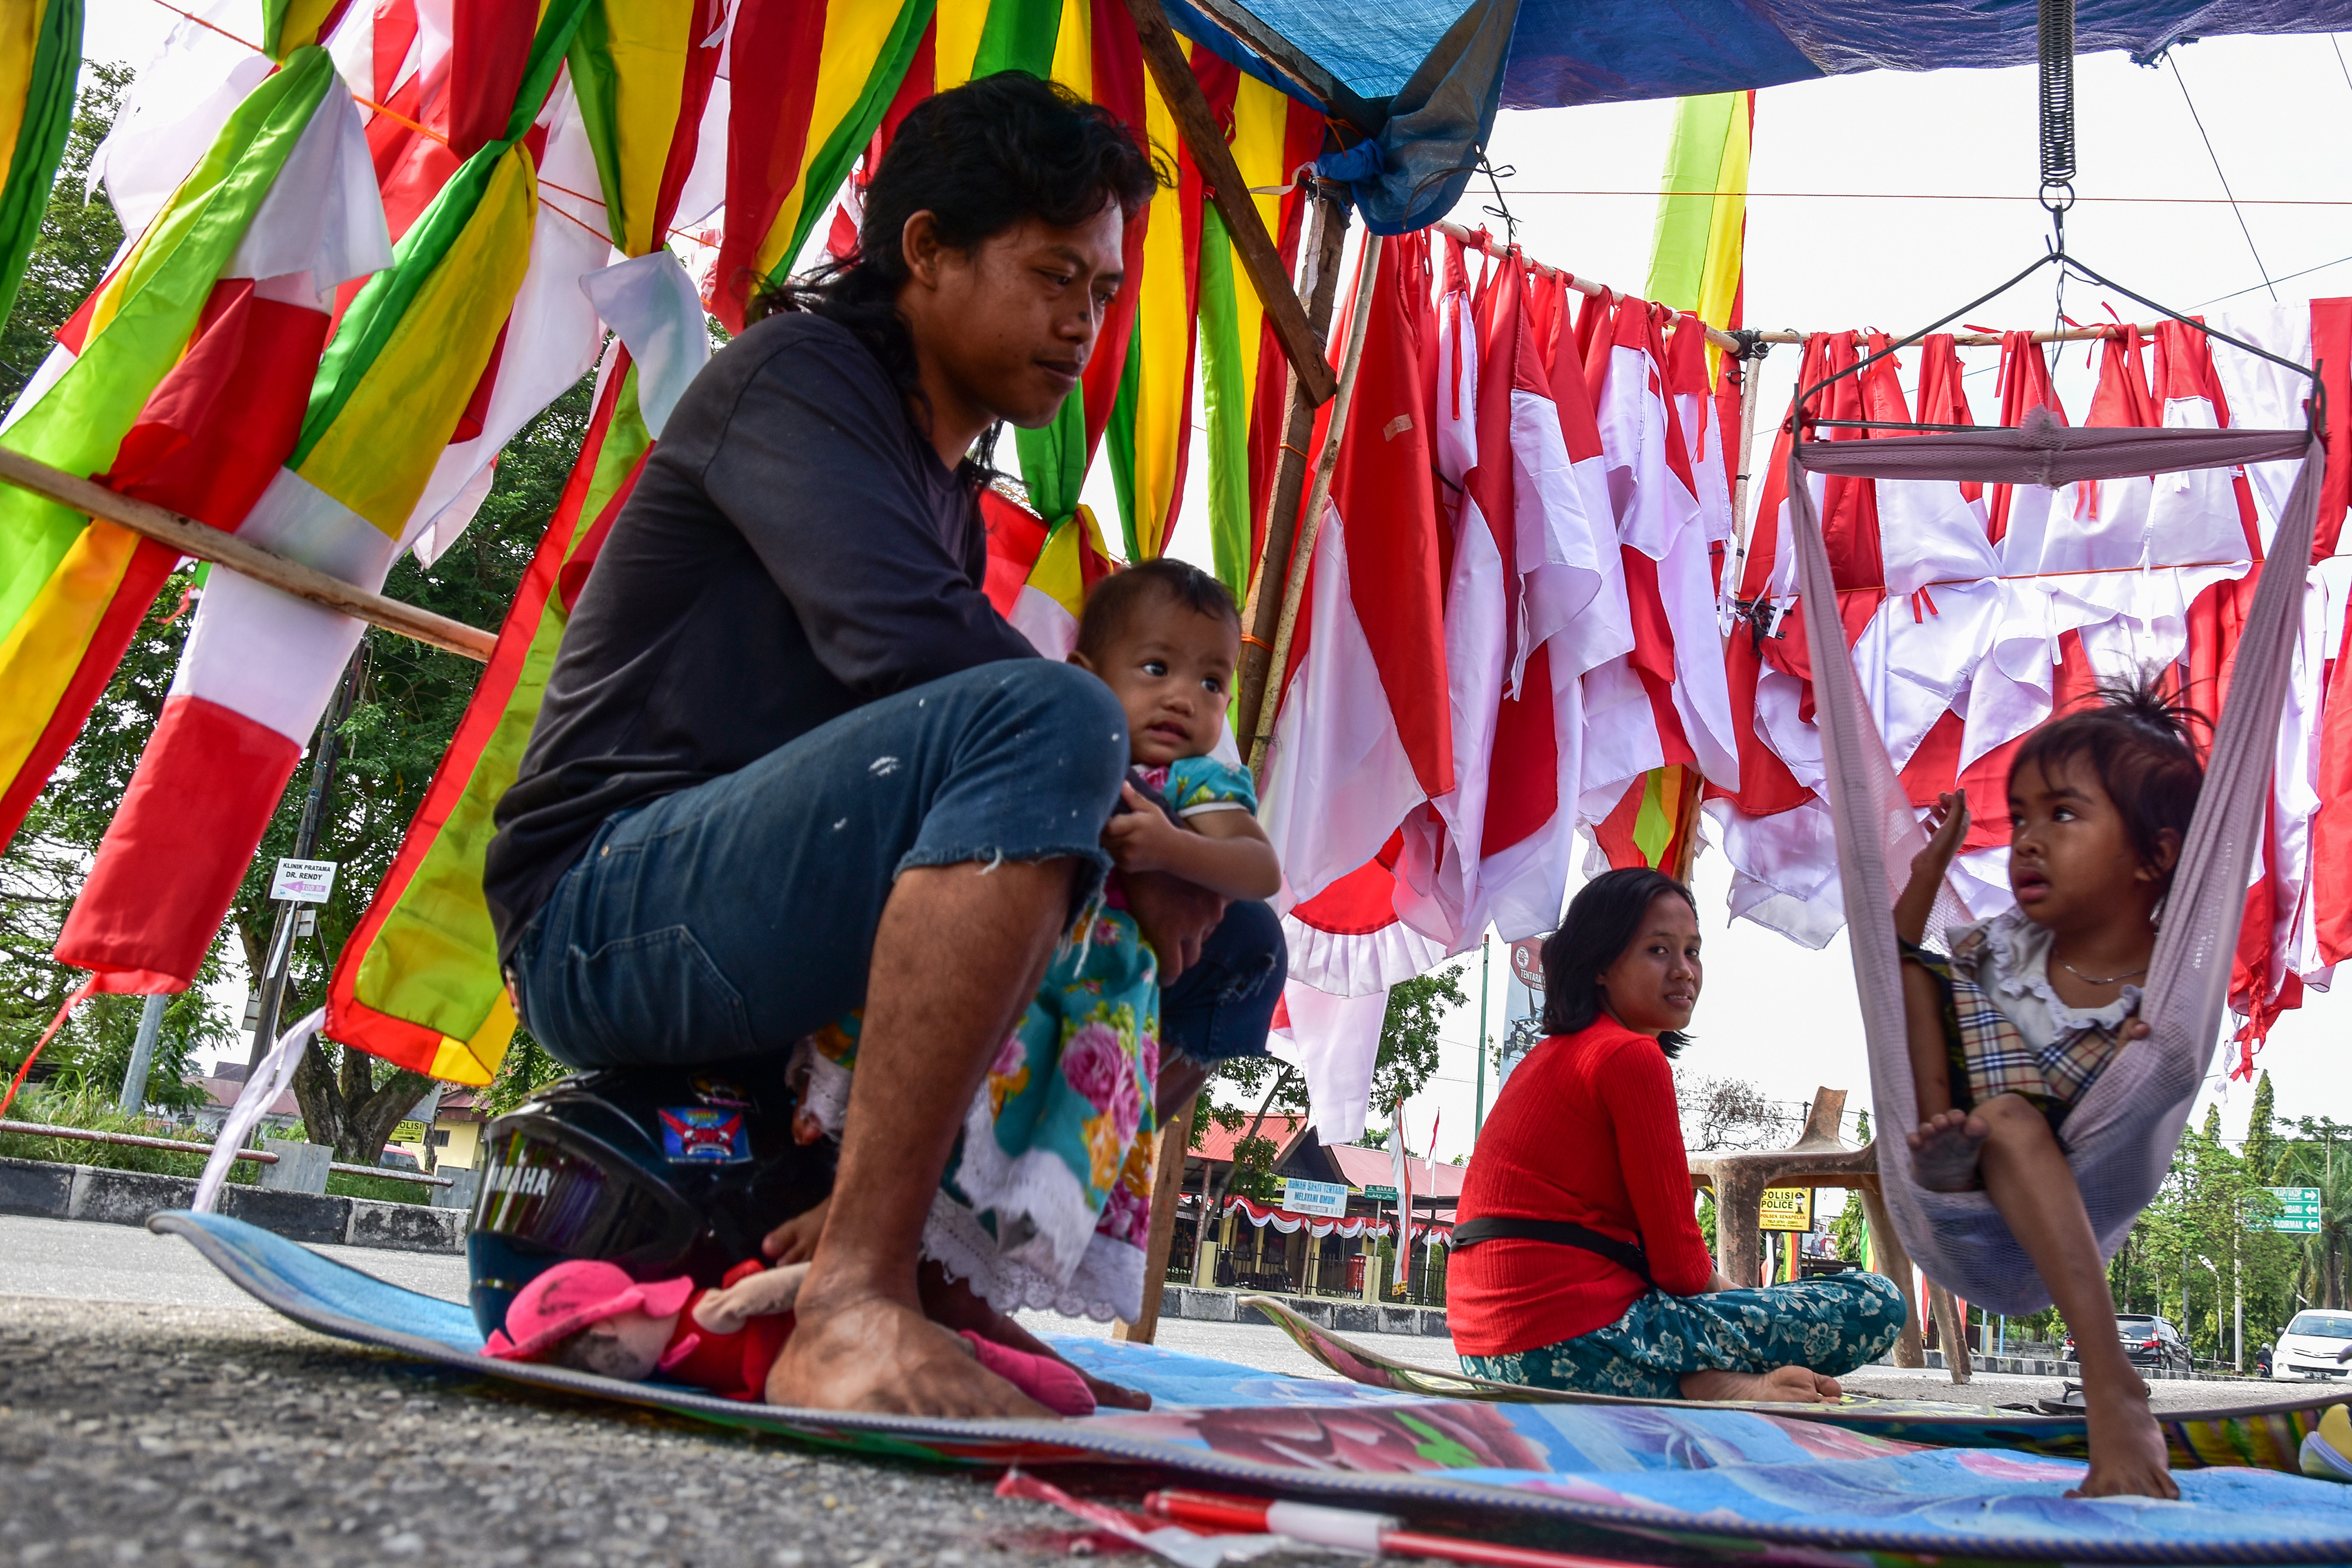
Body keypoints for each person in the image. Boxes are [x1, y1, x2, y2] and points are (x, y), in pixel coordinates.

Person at [482, 73, 1283, 1418]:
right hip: (606, 912)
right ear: (925, 250)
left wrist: (1159, 852)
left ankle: (932, 1265)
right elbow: (911, 647)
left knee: (1236, 931)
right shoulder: (792, 381)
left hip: (775, 915)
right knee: (1062, 723)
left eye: (1100, 290)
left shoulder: (948, 497)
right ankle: (851, 1297)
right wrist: (1127, 829)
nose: (1082, 323)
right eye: (1052, 276)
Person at [783, 558, 1281, 1326]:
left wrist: (1171, 849)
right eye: (1156, 668)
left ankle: (947, 1280)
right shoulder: (1052, 739)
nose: (1185, 697)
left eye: (1212, 682)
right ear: (1085, 676)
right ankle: (850, 1218)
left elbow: (1258, 867)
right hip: (997, 969)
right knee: (936, 1086)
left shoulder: (1195, 783)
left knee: (1022, 1132)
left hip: (1087, 1004)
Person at [1897, 679, 2198, 1497]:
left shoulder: (2171, 983)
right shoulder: (2008, 947)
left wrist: (2144, 1064)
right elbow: (1892, 966)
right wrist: (1931, 865)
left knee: (2007, 1118)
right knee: (1914, 979)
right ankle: (1945, 1154)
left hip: (2068, 1151)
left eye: (2061, 815)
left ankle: (2110, 1384)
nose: (2027, 841)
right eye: (2020, 818)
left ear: (2155, 857)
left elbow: (2168, 1071)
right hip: (1963, 1150)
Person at [1449, 868, 1907, 1402]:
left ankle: (1698, 1381)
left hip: (1486, 1350)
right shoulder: (1629, 1056)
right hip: (1573, 1341)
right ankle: (1715, 1383)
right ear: (1600, 964)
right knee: (1875, 1300)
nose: (1683, 970)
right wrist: (1743, 1305)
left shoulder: (1549, 1056)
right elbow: (1682, 1269)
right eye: (1658, 950)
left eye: (1693, 951)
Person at [481, 1258, 1095, 1413]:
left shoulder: (713, 1311)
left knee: (949, 1351)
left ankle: (994, 1362)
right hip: (800, 1373)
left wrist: (860, 1277)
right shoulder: (666, 1362)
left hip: (828, 1335)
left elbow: (789, 1287)